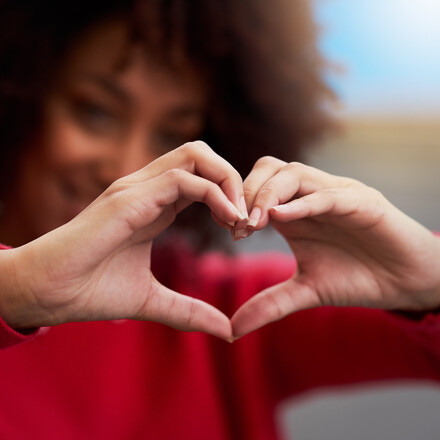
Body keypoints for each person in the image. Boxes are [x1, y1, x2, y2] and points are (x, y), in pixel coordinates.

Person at [0, 0, 439, 438]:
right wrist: (14, 288)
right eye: (95, 112)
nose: (126, 168)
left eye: (173, 135)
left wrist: (428, 275)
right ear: (20, 95)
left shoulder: (231, 313)